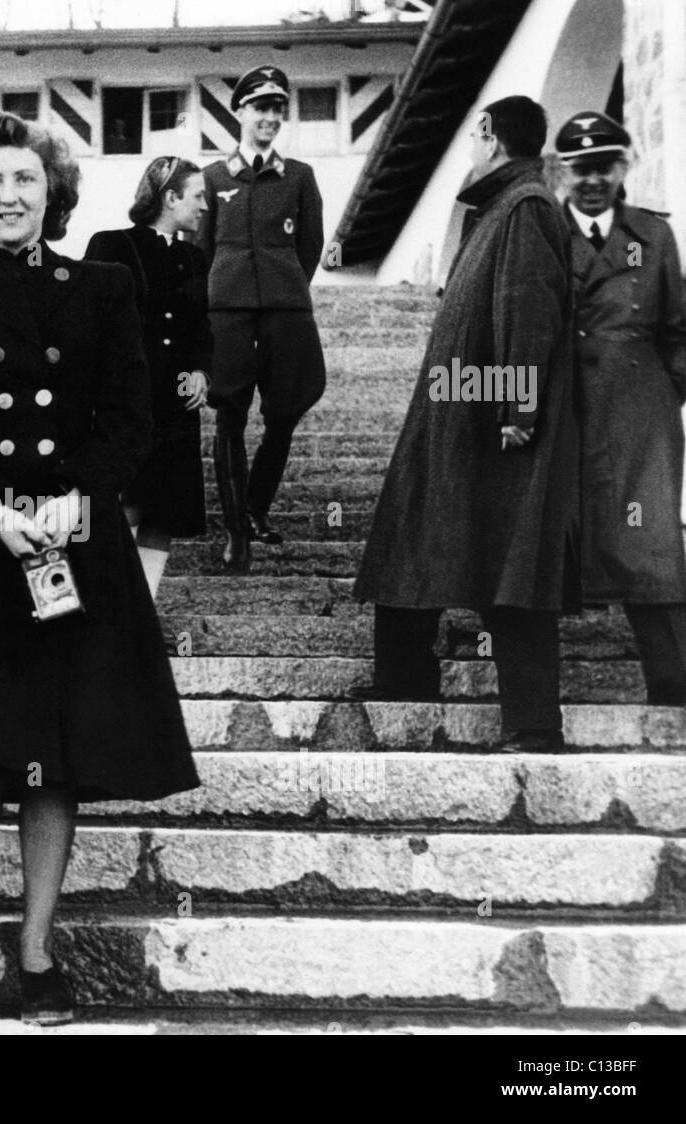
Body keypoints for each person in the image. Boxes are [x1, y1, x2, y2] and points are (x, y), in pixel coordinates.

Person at [0, 111, 199, 1026]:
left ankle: (36, 945)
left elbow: (131, 415)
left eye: (24, 180)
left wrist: (80, 497)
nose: (9, 196)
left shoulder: (103, 288)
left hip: (76, 540)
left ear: (52, 192)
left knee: (57, 752)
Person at [350, 96, 580, 753]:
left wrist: (518, 408)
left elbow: (528, 308)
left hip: (490, 424)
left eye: (476, 135)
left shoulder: (526, 205)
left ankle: (534, 724)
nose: (471, 149)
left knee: (510, 565)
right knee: (413, 539)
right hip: (458, 413)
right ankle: (404, 682)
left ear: (493, 138)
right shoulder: (501, 207)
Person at [556, 111, 686, 705]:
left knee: (649, 534)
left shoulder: (651, 236)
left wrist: (665, 393)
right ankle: (535, 693)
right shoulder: (542, 233)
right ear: (563, 172)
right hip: (564, 407)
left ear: (622, 167)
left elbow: (677, 329)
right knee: (555, 532)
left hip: (639, 410)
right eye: (581, 168)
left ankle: (673, 682)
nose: (592, 180)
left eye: (604, 166)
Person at [199, 65, 325, 567]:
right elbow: (200, 250)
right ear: (240, 113)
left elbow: (311, 246)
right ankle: (236, 532)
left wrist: (286, 286)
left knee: (284, 411)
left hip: (284, 310)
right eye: (260, 108)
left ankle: (256, 506)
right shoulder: (211, 178)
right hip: (226, 310)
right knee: (229, 413)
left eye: (277, 109)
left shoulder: (298, 177)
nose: (269, 117)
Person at [84, 157, 212, 601]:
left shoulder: (195, 259)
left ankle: (140, 611)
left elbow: (201, 329)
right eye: (198, 197)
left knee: (165, 512)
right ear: (170, 197)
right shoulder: (112, 245)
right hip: (127, 401)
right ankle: (104, 603)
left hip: (176, 406)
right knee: (128, 503)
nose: (205, 207)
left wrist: (200, 371)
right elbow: (89, 322)